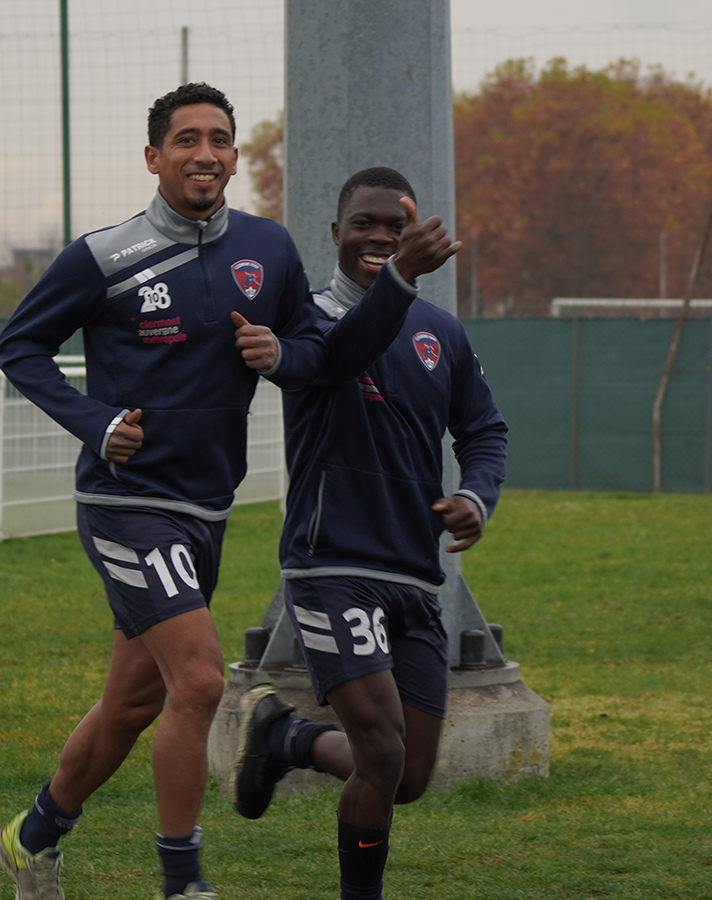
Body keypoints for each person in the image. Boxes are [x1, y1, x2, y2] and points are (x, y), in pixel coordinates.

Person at [0, 86, 454, 900]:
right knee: (201, 681)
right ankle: (184, 884)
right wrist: (95, 424)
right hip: (128, 505)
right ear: (153, 157)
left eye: (220, 140)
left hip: (208, 510)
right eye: (187, 140)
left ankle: (33, 838)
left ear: (235, 156)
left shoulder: (269, 250)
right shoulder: (104, 256)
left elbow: (324, 360)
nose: (205, 153)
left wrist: (296, 341)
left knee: (131, 706)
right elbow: (18, 345)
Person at [228, 167, 507, 900]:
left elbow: (483, 430)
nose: (379, 237)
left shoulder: (442, 333)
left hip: (416, 573)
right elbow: (334, 356)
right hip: (331, 566)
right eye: (364, 224)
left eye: (394, 225)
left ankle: (286, 739)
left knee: (409, 775)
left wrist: (477, 496)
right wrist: (402, 282)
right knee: (380, 750)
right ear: (336, 234)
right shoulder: (311, 320)